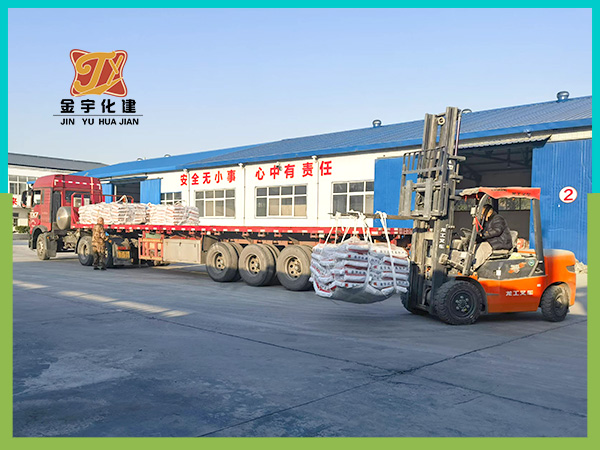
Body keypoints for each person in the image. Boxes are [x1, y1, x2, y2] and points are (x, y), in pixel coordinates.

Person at [473, 204, 513, 270]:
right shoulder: (486, 222)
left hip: (501, 243)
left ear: (488, 212)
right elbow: (482, 232)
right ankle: (468, 264)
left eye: (482, 214)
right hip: (493, 242)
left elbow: (497, 231)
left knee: (482, 247)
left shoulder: (498, 218)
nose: (481, 216)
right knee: (474, 247)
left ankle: (474, 267)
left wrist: (483, 235)